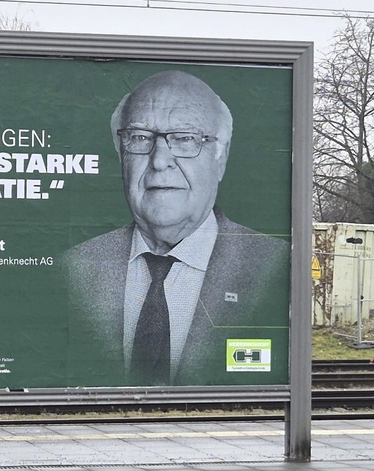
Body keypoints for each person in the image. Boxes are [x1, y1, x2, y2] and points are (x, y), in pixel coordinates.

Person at [62, 70, 290, 386]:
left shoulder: (276, 267)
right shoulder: (73, 269)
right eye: (140, 137)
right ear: (121, 156)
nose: (159, 160)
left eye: (184, 138)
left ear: (220, 158)